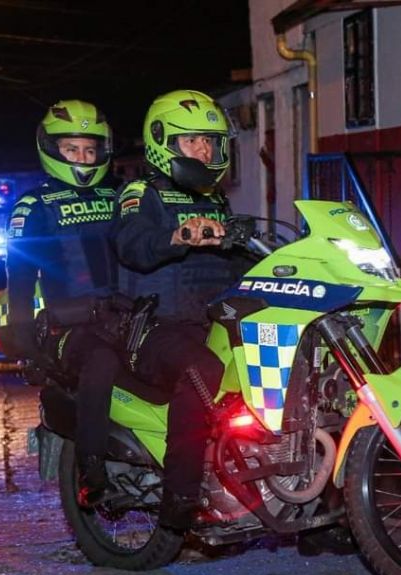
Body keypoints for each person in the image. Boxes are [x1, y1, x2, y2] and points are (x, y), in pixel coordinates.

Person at [111, 89, 243, 531]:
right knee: (201, 369)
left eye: (209, 142)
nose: (204, 151)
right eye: (193, 142)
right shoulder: (139, 193)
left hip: (211, 321)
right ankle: (180, 496)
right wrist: (177, 237)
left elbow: (237, 259)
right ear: (162, 142)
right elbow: (133, 246)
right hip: (153, 328)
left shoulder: (215, 201)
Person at [0, 99, 121, 503]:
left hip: (128, 315)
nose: (82, 158)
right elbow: (20, 278)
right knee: (102, 363)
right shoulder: (32, 207)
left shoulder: (120, 195)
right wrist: (25, 341)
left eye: (89, 150)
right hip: (71, 324)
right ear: (51, 149)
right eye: (71, 149)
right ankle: (92, 466)